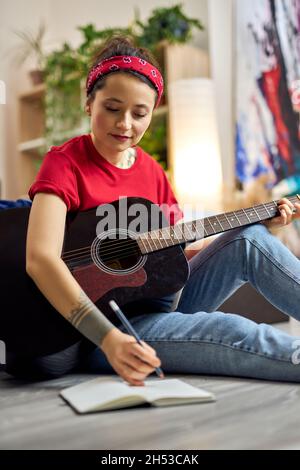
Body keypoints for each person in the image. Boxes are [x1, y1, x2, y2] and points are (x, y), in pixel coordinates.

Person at [6, 36, 300, 385]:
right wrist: (109, 339)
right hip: (98, 331)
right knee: (232, 329)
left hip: (153, 301)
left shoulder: (151, 171)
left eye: (139, 113)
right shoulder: (64, 163)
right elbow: (40, 259)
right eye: (112, 108)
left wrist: (257, 219)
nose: (125, 124)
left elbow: (176, 257)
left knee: (250, 239)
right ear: (89, 103)